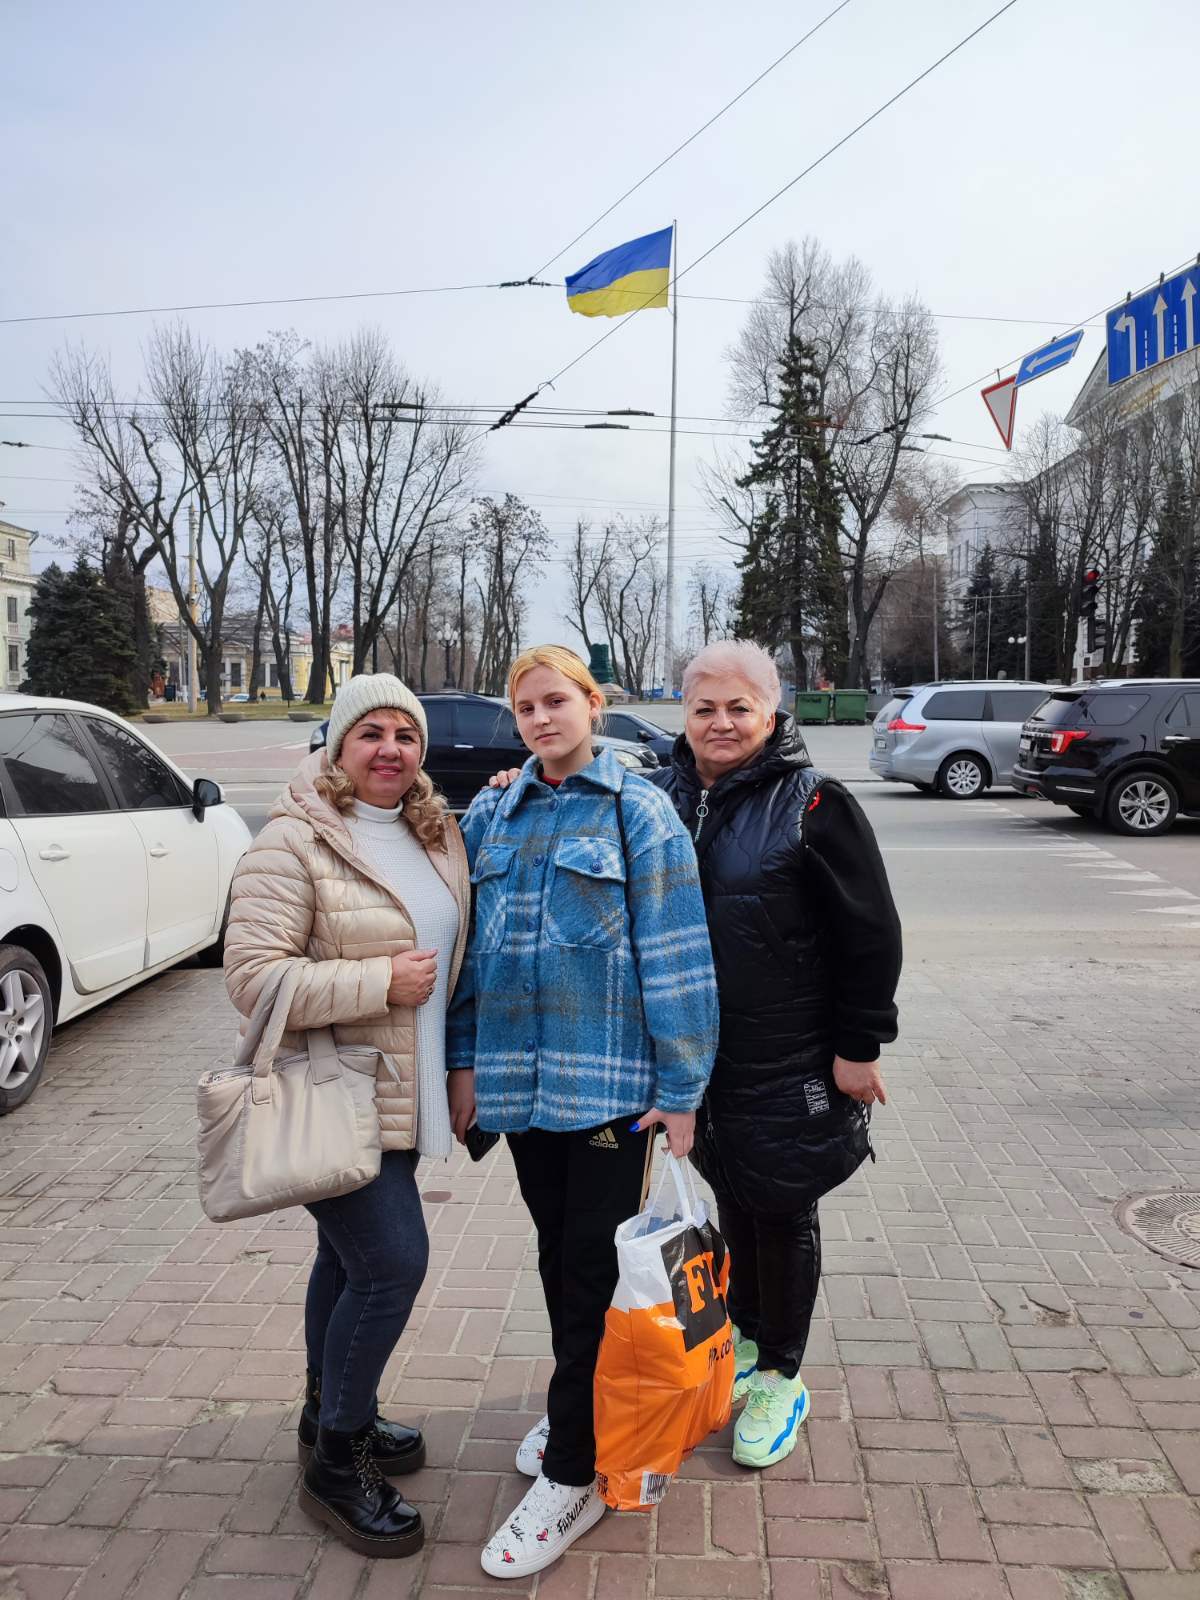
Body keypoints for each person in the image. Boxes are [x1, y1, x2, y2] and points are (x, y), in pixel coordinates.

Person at [447, 645, 718, 1580]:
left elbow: (677, 955)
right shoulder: (493, 812)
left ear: (593, 704)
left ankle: (574, 1473)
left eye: (555, 700)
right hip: (523, 1095)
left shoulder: (638, 811)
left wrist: (682, 1092)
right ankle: (586, 1412)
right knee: (559, 1260)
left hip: (609, 1096)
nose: (540, 719)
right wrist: (464, 1064)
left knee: (591, 1277)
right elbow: (470, 957)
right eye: (525, 707)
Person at [224, 673, 470, 1559]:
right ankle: (338, 1460)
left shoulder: (430, 829)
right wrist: (379, 981)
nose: (390, 750)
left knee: (345, 1258)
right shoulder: (293, 839)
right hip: (331, 1093)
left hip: (398, 1093)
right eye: (371, 733)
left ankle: (327, 1411)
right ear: (338, 744)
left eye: (406, 734)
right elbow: (252, 977)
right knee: (392, 1263)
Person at [655, 640, 901, 1469]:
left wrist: (858, 1046)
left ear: (771, 710)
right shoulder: (662, 794)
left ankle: (782, 1376)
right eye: (705, 708)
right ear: (684, 713)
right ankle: (748, 1340)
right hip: (702, 1056)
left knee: (784, 1205)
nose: (721, 723)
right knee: (734, 1194)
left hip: (790, 1054)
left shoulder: (813, 802)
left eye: (740, 707)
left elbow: (871, 933)